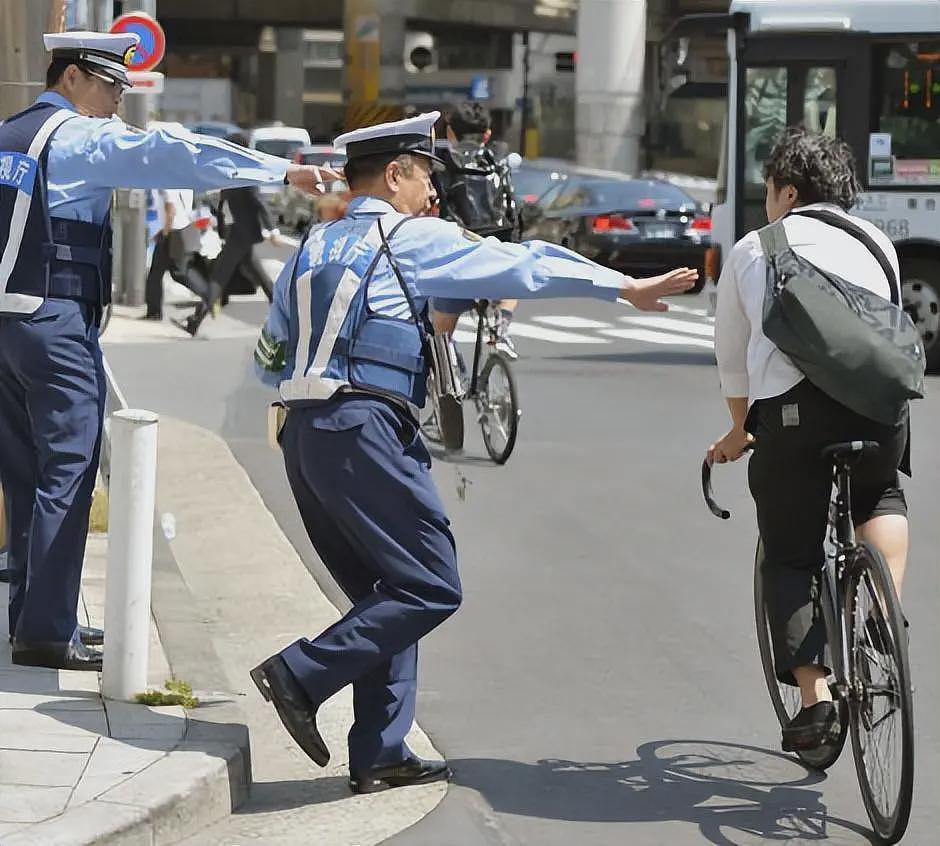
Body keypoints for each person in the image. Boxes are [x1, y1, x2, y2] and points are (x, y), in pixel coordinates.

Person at [250, 110, 697, 793]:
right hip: (365, 427)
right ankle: (300, 674)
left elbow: (270, 353)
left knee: (386, 593)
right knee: (430, 583)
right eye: (424, 173)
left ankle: (381, 753)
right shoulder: (410, 237)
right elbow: (524, 264)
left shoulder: (314, 244)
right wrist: (622, 287)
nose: (430, 188)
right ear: (395, 173)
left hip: (305, 436)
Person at [0, 30, 338, 671]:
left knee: (21, 476)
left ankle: (30, 617)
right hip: (54, 320)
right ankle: (46, 631)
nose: (114, 104)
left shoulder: (8, 135)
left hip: (5, 324)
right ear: (70, 77)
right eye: (107, 86)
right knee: (67, 473)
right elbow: (169, 154)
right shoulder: (76, 137)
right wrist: (281, 170)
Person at [707, 127, 911, 751]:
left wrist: (740, 429)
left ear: (786, 191)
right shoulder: (878, 242)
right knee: (882, 498)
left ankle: (815, 700)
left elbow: (733, 357)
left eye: (769, 191)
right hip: (880, 411)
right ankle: (880, 612)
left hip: (794, 416)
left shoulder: (754, 248)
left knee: (791, 547)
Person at [432, 101, 521, 358]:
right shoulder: (500, 162)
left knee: (442, 332)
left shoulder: (440, 166)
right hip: (499, 252)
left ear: (450, 133)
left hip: (459, 256)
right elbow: (512, 209)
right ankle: (501, 328)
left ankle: (449, 375)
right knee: (514, 275)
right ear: (487, 135)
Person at [174, 132, 281, 336]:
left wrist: (272, 229)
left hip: (240, 233)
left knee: (218, 277)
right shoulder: (235, 167)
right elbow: (225, 202)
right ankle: (286, 316)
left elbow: (257, 201)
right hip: (237, 232)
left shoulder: (243, 169)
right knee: (261, 278)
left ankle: (195, 321)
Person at [143, 186, 212, 320]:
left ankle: (209, 295)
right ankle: (154, 312)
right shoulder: (181, 181)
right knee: (157, 273)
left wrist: (165, 231)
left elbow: (171, 209)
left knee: (177, 272)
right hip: (181, 229)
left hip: (173, 232)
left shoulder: (168, 183)